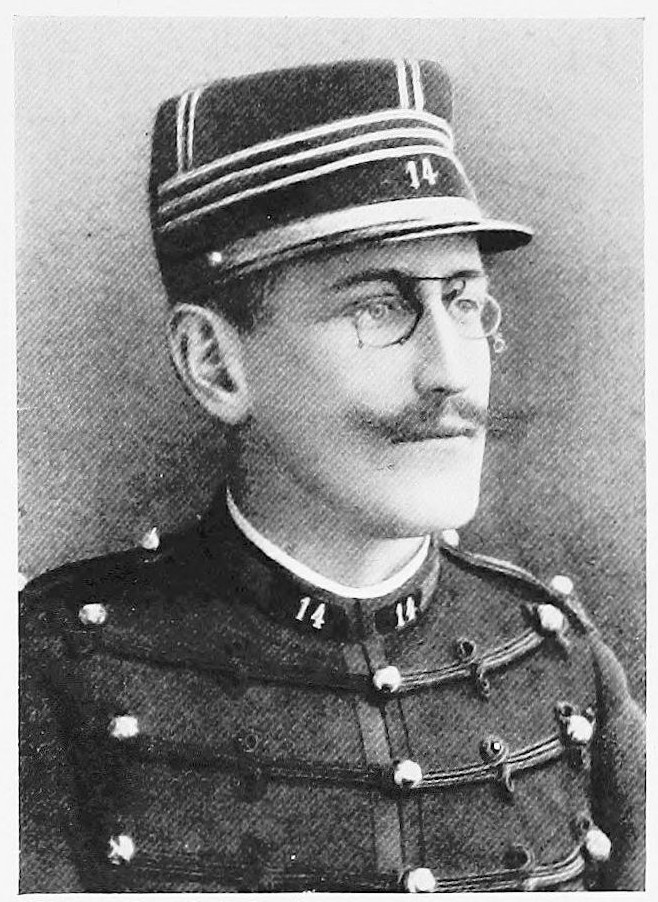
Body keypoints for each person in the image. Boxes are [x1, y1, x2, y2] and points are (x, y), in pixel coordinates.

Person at [19, 57, 644, 893]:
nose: (452, 373)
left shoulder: (560, 657)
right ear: (215, 364)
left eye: (464, 301)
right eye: (377, 307)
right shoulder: (50, 670)